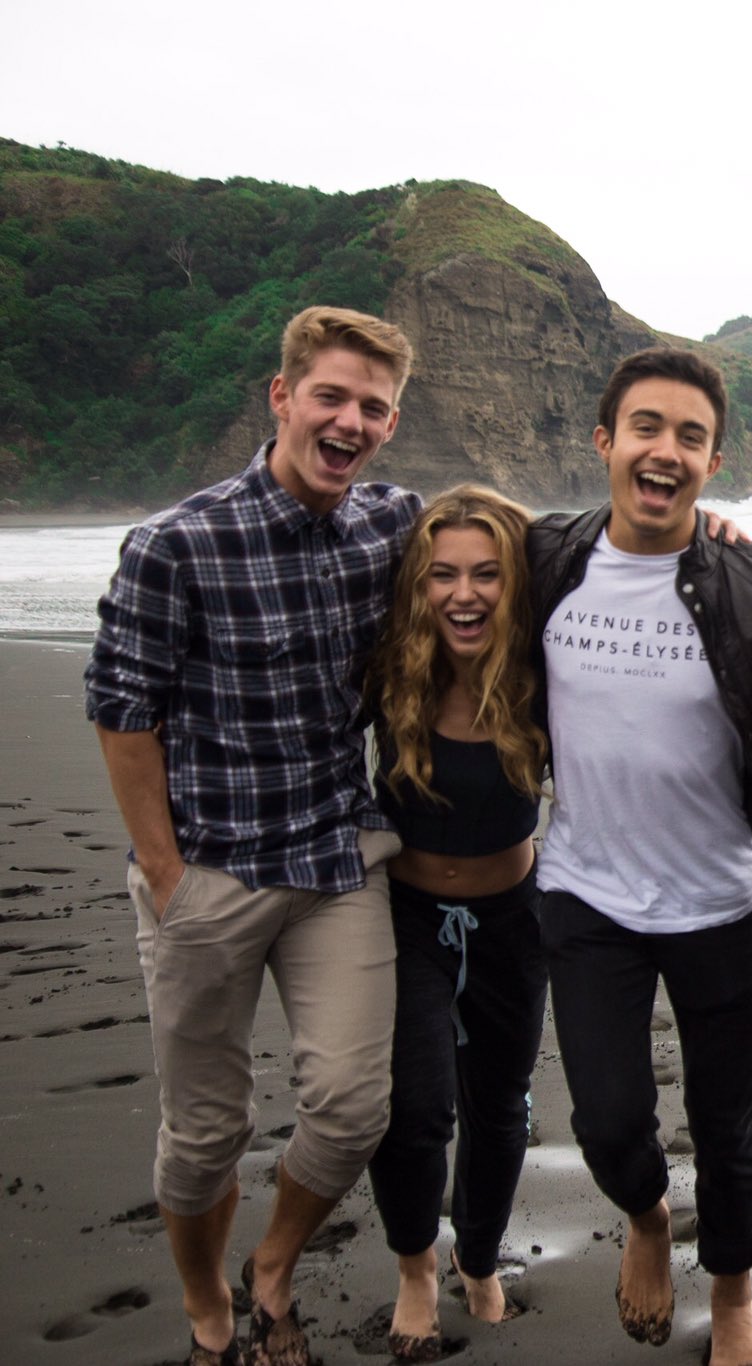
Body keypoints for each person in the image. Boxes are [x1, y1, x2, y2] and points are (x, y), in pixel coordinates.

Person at [85, 306, 421, 1366]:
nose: (350, 421)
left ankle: (271, 1267)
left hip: (336, 862)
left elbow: (517, 550)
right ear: (282, 397)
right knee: (203, 1136)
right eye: (331, 396)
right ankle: (209, 1310)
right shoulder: (177, 542)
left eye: (372, 407)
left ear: (390, 425)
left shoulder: (393, 524)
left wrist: (718, 535)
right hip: (209, 872)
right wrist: (165, 873)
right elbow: (121, 708)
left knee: (353, 1107)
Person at [525, 347, 752, 1366]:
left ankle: (731, 1291)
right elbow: (435, 550)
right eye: (646, 427)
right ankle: (645, 1216)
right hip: (584, 890)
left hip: (716, 897)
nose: (664, 450)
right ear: (604, 441)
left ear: (714, 463)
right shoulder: (544, 558)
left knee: (727, 1120)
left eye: (690, 436)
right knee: (606, 1118)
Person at [363, 486, 550, 1361]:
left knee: (500, 1106)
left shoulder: (546, 678)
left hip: (513, 921)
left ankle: (478, 1258)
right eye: (443, 575)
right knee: (414, 1108)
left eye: (487, 574)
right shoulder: (389, 669)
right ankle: (415, 1269)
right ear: (418, 584)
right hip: (406, 919)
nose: (464, 595)